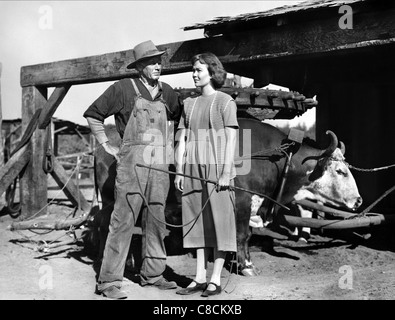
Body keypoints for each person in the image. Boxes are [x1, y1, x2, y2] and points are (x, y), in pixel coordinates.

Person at [83, 40, 182, 299]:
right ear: (139, 67)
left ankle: (153, 274)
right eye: (151, 62)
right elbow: (93, 114)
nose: (157, 66)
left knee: (157, 221)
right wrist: (106, 144)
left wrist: (176, 145)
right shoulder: (123, 89)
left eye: (159, 61)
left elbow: (183, 119)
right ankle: (109, 282)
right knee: (123, 221)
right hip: (132, 165)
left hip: (160, 165)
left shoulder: (168, 92)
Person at [174, 52, 238, 297]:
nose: (194, 74)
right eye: (193, 70)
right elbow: (182, 139)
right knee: (195, 222)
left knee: (219, 221)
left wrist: (225, 172)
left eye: (199, 70)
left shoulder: (225, 102)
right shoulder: (188, 104)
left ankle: (215, 278)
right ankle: (199, 276)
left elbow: (231, 140)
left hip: (217, 170)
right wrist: (179, 170)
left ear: (212, 72)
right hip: (191, 170)